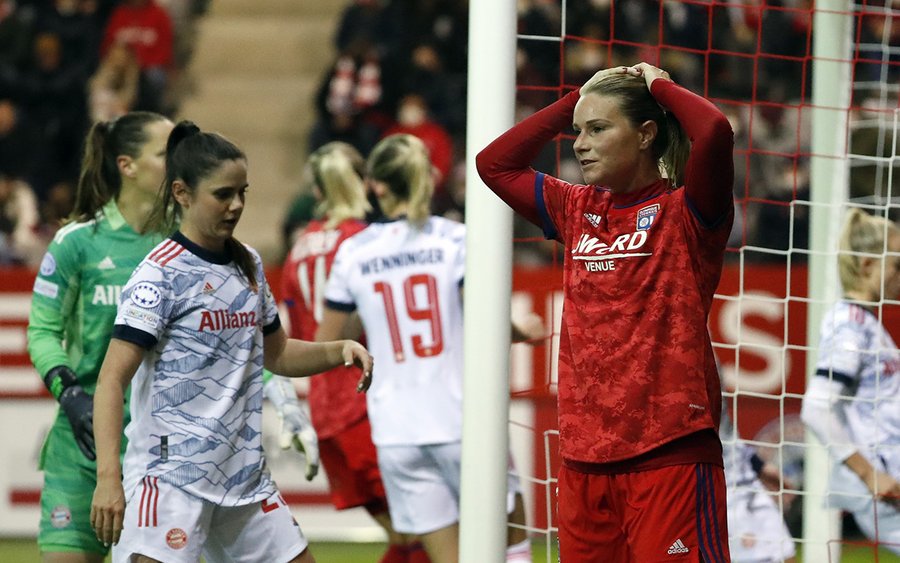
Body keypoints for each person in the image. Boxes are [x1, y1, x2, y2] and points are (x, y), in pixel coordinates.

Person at [476, 62, 735, 562]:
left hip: (670, 453)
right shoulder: (573, 209)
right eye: (578, 130)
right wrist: (575, 99)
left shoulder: (689, 211)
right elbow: (494, 164)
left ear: (645, 135)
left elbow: (715, 131)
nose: (579, 143)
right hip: (583, 461)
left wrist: (659, 84)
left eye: (597, 128)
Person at [88, 121, 373, 563]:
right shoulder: (159, 274)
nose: (236, 205)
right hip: (170, 481)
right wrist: (108, 477)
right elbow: (111, 381)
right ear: (182, 193)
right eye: (223, 194)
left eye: (243, 192)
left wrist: (338, 351)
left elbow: (276, 353)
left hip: (242, 479)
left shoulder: (249, 265)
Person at [318, 134, 534, 563]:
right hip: (462, 421)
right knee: (512, 551)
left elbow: (329, 342)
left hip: (397, 432)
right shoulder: (455, 240)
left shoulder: (353, 253)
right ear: (428, 180)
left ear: (375, 185)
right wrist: (522, 329)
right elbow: (487, 322)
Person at [26, 111, 174, 563]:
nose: (181, 162)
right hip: (83, 445)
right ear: (127, 165)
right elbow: (42, 330)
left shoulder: (187, 242)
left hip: (161, 452)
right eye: (167, 153)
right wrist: (69, 392)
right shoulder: (77, 242)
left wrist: (276, 385)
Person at [279, 141, 430, 563]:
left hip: (327, 413)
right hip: (369, 403)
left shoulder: (298, 251)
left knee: (405, 537)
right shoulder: (365, 242)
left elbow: (298, 329)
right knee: (425, 532)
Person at [801, 208, 900, 554]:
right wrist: (870, 474)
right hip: (884, 486)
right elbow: (816, 408)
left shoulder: (868, 324)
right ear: (868, 266)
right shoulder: (850, 324)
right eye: (897, 265)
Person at [720, 398, 796, 562]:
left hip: (745, 483)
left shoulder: (714, 378)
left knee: (785, 555)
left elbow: (727, 437)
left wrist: (758, 466)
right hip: (720, 492)